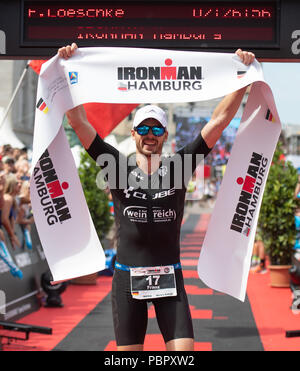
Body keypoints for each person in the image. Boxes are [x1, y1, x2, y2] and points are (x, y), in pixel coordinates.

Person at [58, 43, 255, 351]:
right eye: (143, 128)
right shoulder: (116, 167)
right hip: (126, 279)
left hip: (170, 278)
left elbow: (217, 122)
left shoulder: (179, 166)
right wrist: (66, 72)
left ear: (164, 135)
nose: (150, 133)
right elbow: (79, 123)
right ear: (134, 134)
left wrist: (242, 79)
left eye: (156, 128)